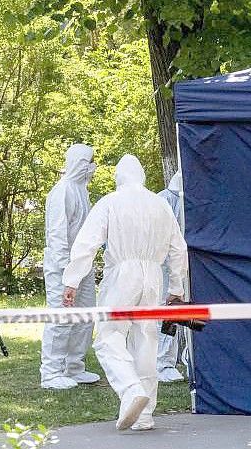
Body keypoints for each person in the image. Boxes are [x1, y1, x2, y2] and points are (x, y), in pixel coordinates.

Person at [62, 154, 187, 431]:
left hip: (122, 274)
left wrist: (71, 280)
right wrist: (176, 288)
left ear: (119, 177)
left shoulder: (111, 202)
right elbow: (179, 249)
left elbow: (87, 241)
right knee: (146, 340)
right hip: (154, 276)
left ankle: (131, 390)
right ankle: (144, 416)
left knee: (108, 337)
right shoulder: (161, 204)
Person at [40, 143, 100, 390]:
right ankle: (51, 372)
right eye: (88, 162)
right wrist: (67, 275)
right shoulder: (62, 190)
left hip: (82, 266)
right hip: (62, 268)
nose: (92, 167)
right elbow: (57, 235)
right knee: (61, 317)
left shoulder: (81, 191)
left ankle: (74, 366)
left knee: (86, 316)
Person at [157, 172, 185, 383]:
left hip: (179, 265)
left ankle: (173, 357)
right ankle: (163, 362)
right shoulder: (165, 200)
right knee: (167, 311)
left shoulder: (184, 200)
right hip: (165, 267)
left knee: (176, 312)